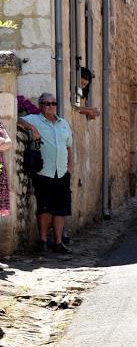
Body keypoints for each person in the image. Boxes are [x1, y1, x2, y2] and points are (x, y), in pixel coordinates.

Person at [18, 93, 73, 254]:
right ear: (40, 105)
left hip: (62, 172)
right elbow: (17, 119)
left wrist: (70, 166)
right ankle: (42, 241)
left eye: (53, 103)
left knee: (61, 209)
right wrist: (32, 128)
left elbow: (69, 146)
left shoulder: (63, 124)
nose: (50, 106)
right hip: (44, 171)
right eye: (46, 103)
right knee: (44, 208)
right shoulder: (34, 119)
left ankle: (57, 242)